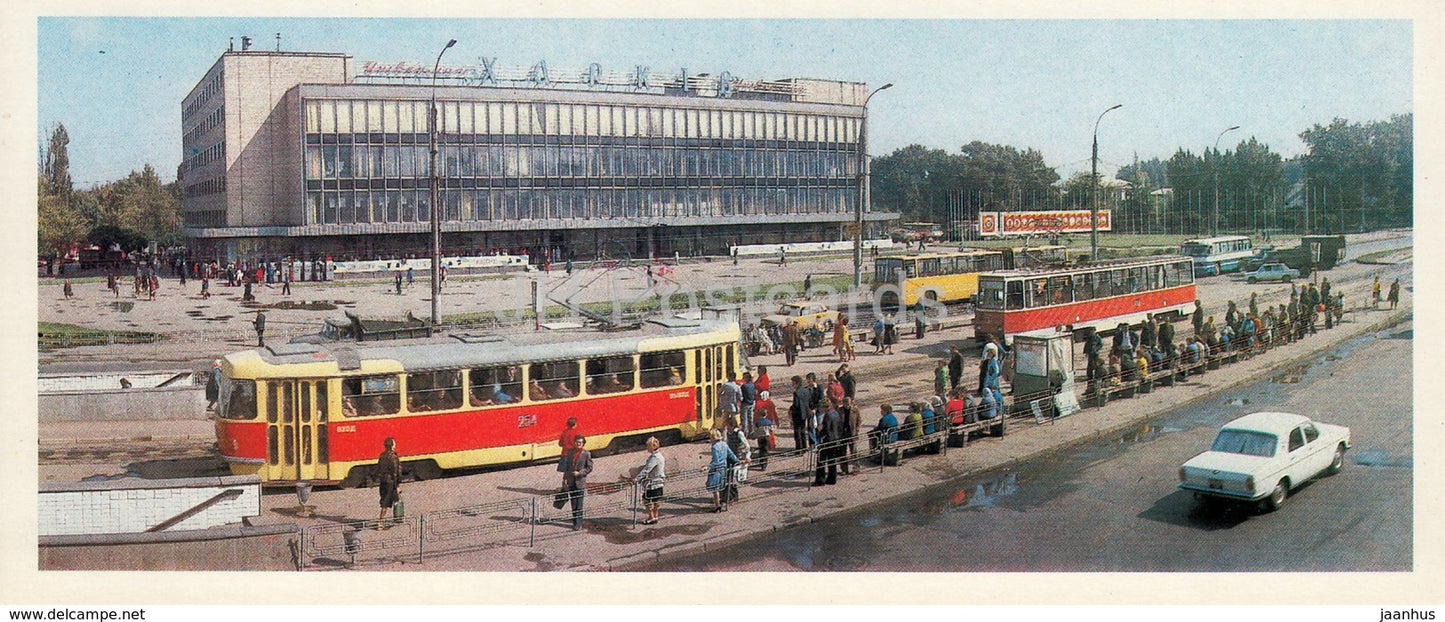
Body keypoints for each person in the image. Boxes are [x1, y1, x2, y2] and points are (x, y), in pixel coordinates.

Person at [561, 435, 593, 529]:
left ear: (583, 444)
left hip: (580, 481)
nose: (578, 444)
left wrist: (579, 473)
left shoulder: (586, 453)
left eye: (580, 442)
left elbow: (589, 468)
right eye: (576, 442)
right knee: (573, 502)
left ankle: (578, 524)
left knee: (579, 503)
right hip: (571, 481)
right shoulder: (570, 452)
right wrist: (564, 479)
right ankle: (575, 520)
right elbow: (567, 467)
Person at [633, 437, 666, 524]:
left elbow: (646, 469)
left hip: (652, 483)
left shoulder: (654, 458)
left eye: (648, 446)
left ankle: (651, 517)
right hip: (659, 482)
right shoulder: (660, 456)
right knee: (656, 501)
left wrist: (637, 478)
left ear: (652, 446)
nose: (646, 447)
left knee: (647, 500)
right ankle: (656, 516)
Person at [704, 429, 738, 512]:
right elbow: (730, 454)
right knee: (720, 486)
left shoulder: (714, 447)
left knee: (714, 487)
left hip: (716, 469)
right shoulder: (724, 444)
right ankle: (720, 503)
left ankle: (717, 505)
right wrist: (737, 461)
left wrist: (707, 467)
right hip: (723, 468)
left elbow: (716, 461)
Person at [814, 397, 845, 486]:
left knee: (821, 461)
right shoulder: (836, 413)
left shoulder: (827, 415)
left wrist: (820, 431)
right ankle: (832, 479)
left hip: (827, 440)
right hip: (836, 439)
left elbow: (826, 429)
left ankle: (820, 480)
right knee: (832, 461)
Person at [377, 437, 402, 524]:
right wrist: (397, 485)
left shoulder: (382, 455)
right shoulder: (393, 457)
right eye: (394, 443)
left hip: (383, 482)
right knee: (387, 503)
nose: (395, 445)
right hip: (390, 483)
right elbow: (396, 472)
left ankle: (397, 518)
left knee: (388, 500)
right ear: (392, 445)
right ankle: (381, 522)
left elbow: (379, 468)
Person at [754, 391, 777, 470]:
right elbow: (771, 430)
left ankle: (761, 463)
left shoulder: (758, 403)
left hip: (760, 437)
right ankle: (765, 463)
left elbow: (755, 428)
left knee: (761, 449)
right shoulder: (770, 403)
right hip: (766, 436)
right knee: (765, 449)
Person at [790, 375, 811, 450]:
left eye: (793, 383)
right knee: (802, 431)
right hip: (805, 413)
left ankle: (799, 448)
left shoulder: (796, 392)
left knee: (797, 432)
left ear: (797, 383)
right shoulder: (806, 390)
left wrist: (791, 409)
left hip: (797, 414)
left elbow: (796, 404)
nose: (792, 385)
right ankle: (804, 447)